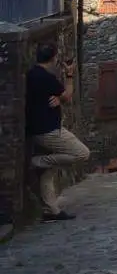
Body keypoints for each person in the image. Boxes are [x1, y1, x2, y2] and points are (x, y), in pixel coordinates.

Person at [26, 44, 88, 221]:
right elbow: (68, 96)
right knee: (82, 153)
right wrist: (69, 75)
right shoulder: (46, 77)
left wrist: (58, 98)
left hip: (37, 129)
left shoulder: (31, 75)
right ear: (53, 59)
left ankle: (50, 210)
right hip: (49, 131)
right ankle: (37, 161)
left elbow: (56, 98)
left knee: (49, 171)